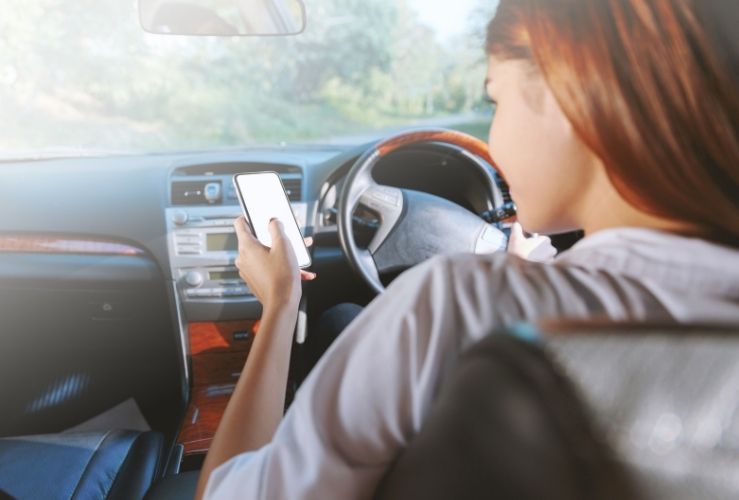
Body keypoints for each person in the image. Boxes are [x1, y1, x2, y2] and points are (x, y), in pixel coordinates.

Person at [196, 0, 739, 498]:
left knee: (340, 319)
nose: (495, 133)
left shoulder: (456, 306)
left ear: (573, 97)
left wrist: (280, 301)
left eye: (495, 99)